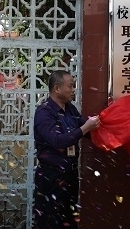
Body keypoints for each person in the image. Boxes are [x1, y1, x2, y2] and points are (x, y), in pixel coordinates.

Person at [33, 70, 100, 228]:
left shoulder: (70, 109)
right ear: (57, 89)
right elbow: (57, 141)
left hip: (70, 175)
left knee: (69, 219)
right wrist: (86, 127)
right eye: (70, 86)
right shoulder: (44, 112)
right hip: (51, 177)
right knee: (50, 221)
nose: (73, 90)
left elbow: (85, 129)